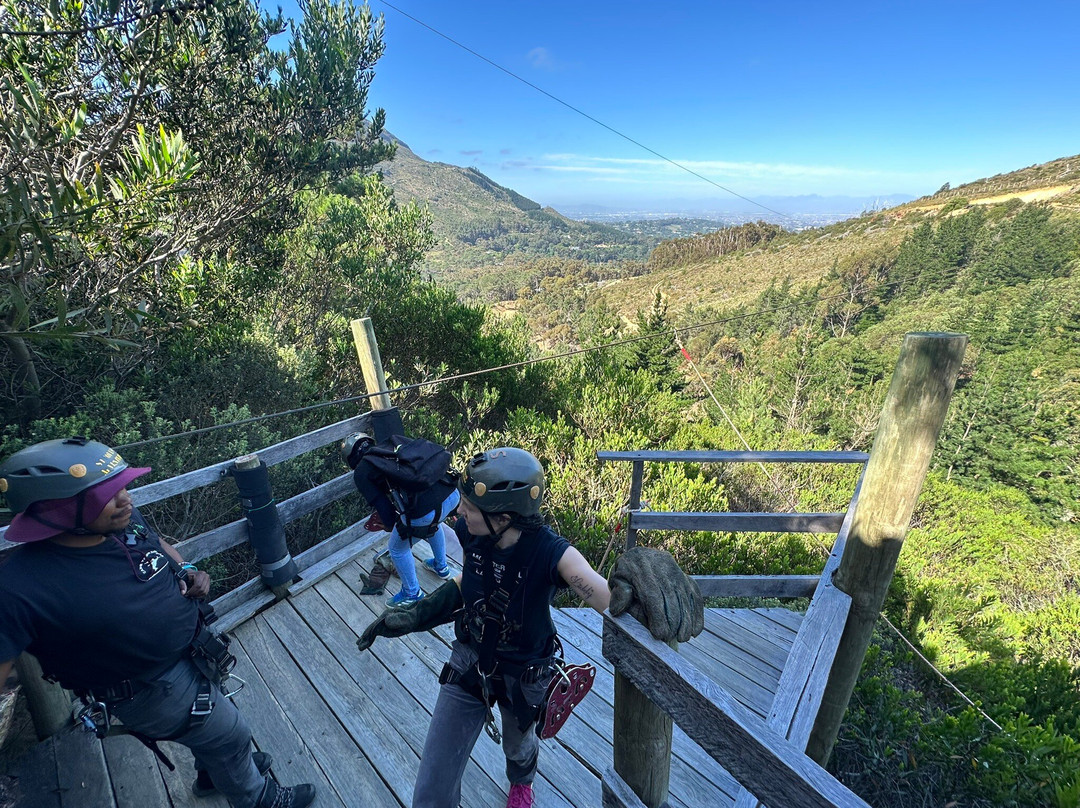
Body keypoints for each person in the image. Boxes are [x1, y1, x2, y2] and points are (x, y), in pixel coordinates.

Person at [356, 446, 704, 808]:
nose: (459, 513)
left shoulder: (552, 553)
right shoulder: (472, 531)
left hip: (524, 675)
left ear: (503, 517)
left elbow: (608, 598)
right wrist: (418, 613)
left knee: (518, 746)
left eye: (469, 508)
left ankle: (522, 781)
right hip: (470, 662)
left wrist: (643, 584)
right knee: (430, 790)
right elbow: (469, 580)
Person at [0, 437, 316, 808]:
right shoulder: (20, 587)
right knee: (231, 734)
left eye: (123, 487)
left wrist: (187, 568)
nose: (127, 500)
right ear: (60, 508)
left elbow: (155, 542)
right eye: (108, 494)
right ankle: (258, 799)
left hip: (195, 650)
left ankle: (215, 772)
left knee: (218, 732)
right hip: (147, 687)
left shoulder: (120, 521)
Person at [342, 431, 460, 606]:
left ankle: (412, 593)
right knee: (434, 525)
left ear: (350, 459)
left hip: (426, 510)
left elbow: (384, 509)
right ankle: (441, 567)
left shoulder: (362, 471)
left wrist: (391, 525)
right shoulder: (390, 443)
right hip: (451, 493)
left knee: (397, 548)